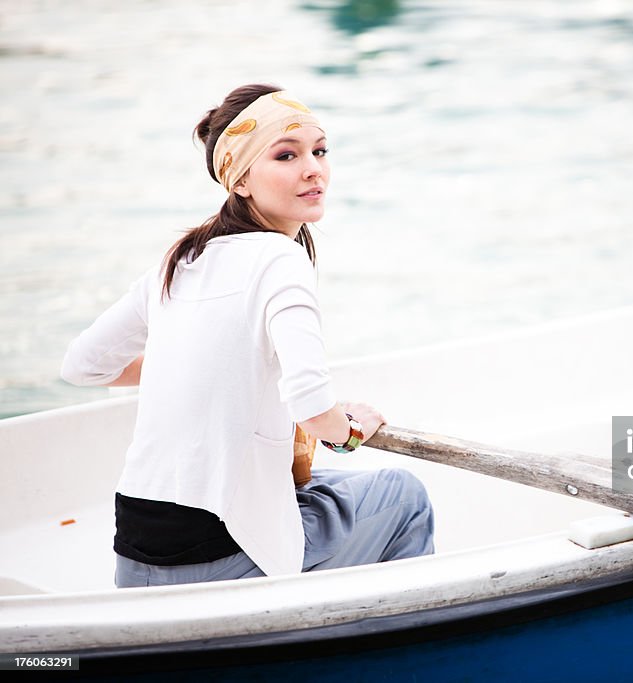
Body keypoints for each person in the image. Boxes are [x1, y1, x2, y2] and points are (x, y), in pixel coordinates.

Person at [61, 83, 434, 588]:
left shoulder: (181, 260)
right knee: (404, 495)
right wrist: (348, 431)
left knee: (313, 487)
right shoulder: (281, 259)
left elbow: (83, 366)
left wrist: (195, 361)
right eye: (287, 155)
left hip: (136, 551)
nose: (313, 169)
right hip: (217, 555)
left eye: (319, 151)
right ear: (239, 180)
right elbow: (310, 405)